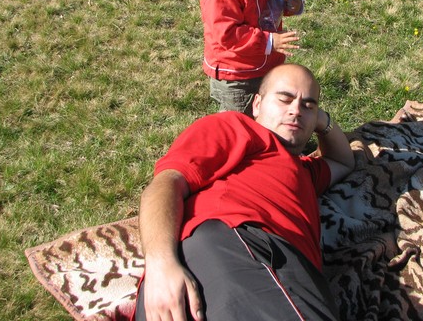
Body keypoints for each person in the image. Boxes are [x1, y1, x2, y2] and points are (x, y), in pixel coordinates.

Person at [135, 63, 355, 321]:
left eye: (308, 105)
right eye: (284, 99)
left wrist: (323, 121)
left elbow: (343, 161)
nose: (296, 110)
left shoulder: (304, 171)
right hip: (242, 248)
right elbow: (166, 183)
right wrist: (160, 265)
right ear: (257, 104)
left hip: (284, 273)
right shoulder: (237, 127)